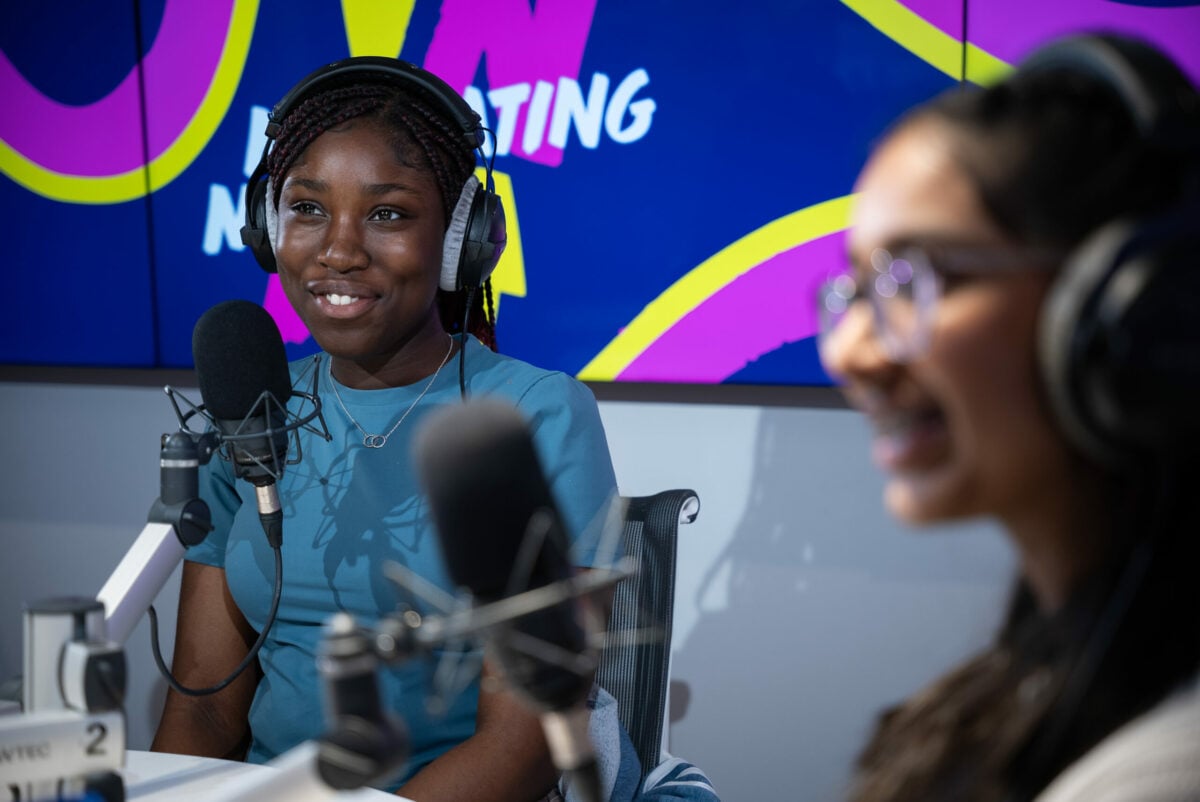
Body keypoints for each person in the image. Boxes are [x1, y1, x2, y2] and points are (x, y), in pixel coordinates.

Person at [151, 56, 621, 802]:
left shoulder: (538, 417)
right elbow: (204, 713)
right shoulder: (248, 409)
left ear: (464, 238)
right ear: (268, 228)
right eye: (307, 208)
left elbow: (523, 744)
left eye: (388, 214)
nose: (338, 250)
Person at [816, 32, 1200, 802]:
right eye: (857, 290)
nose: (851, 352)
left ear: (1128, 313)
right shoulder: (1028, 683)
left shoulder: (1160, 775)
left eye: (921, 275)